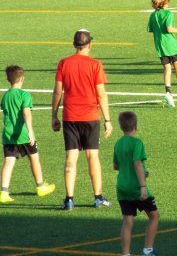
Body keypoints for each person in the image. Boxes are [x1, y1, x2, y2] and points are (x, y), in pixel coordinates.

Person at [51, 28, 112, 210]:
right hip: (90, 117)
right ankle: (98, 198)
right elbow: (101, 94)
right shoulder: (95, 65)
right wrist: (108, 119)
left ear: (74, 44)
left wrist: (53, 116)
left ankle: (69, 199)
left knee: (70, 158)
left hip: (70, 117)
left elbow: (57, 91)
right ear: (90, 44)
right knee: (92, 156)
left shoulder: (64, 63)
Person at [1, 66, 55, 203]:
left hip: (8, 134)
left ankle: (4, 192)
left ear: (8, 80)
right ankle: (40, 186)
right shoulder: (24, 95)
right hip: (23, 134)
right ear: (22, 79)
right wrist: (30, 131)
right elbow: (26, 113)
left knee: (8, 161)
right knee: (34, 157)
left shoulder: (5, 96)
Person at [114, 111, 159, 256]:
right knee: (154, 215)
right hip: (136, 188)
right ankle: (148, 250)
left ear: (121, 127)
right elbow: (137, 163)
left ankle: (126, 253)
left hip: (122, 188)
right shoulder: (137, 143)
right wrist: (143, 187)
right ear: (136, 125)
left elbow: (116, 166)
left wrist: (140, 172)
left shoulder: (118, 143)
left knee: (127, 221)